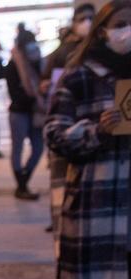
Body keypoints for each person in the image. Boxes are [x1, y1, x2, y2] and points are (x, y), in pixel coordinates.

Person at [45, 0, 131, 279]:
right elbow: (55, 133)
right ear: (101, 30)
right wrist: (96, 129)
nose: (127, 31)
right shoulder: (79, 77)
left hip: (125, 199)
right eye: (121, 24)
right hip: (91, 196)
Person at [43, 4, 96, 232]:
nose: (87, 23)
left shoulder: (99, 50)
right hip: (67, 118)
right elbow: (46, 80)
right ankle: (60, 216)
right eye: (82, 19)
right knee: (63, 174)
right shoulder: (62, 52)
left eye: (91, 19)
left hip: (94, 121)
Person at [6, 25, 46, 201]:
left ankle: (24, 179)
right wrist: (34, 95)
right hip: (19, 113)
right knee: (18, 148)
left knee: (38, 148)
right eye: (27, 43)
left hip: (37, 112)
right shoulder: (13, 65)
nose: (31, 46)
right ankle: (21, 186)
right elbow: (14, 93)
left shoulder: (40, 61)